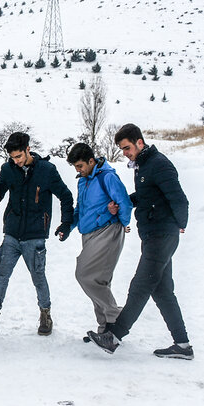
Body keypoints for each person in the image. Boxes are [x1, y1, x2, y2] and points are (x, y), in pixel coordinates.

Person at [87, 124, 193, 359]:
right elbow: (147, 196)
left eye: (127, 148)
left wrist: (179, 223)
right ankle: (183, 345)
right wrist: (123, 202)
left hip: (161, 234)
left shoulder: (159, 164)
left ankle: (113, 337)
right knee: (163, 291)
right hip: (154, 233)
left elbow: (179, 198)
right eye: (122, 149)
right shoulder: (144, 166)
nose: (124, 153)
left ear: (139, 143)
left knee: (140, 286)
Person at [0, 131, 73, 338]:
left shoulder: (47, 170)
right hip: (12, 233)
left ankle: (45, 314)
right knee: (1, 274)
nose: (16, 161)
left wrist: (66, 223)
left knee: (38, 277)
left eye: (19, 157)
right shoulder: (8, 170)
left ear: (28, 149)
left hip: (35, 235)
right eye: (12, 158)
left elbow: (66, 195)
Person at [67, 142, 133, 336]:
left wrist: (121, 222)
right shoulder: (83, 180)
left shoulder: (108, 177)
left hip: (107, 230)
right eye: (75, 167)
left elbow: (125, 203)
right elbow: (80, 209)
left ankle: (116, 316)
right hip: (88, 233)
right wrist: (68, 227)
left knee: (84, 275)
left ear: (91, 160)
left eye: (80, 166)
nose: (78, 170)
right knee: (99, 281)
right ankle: (105, 328)